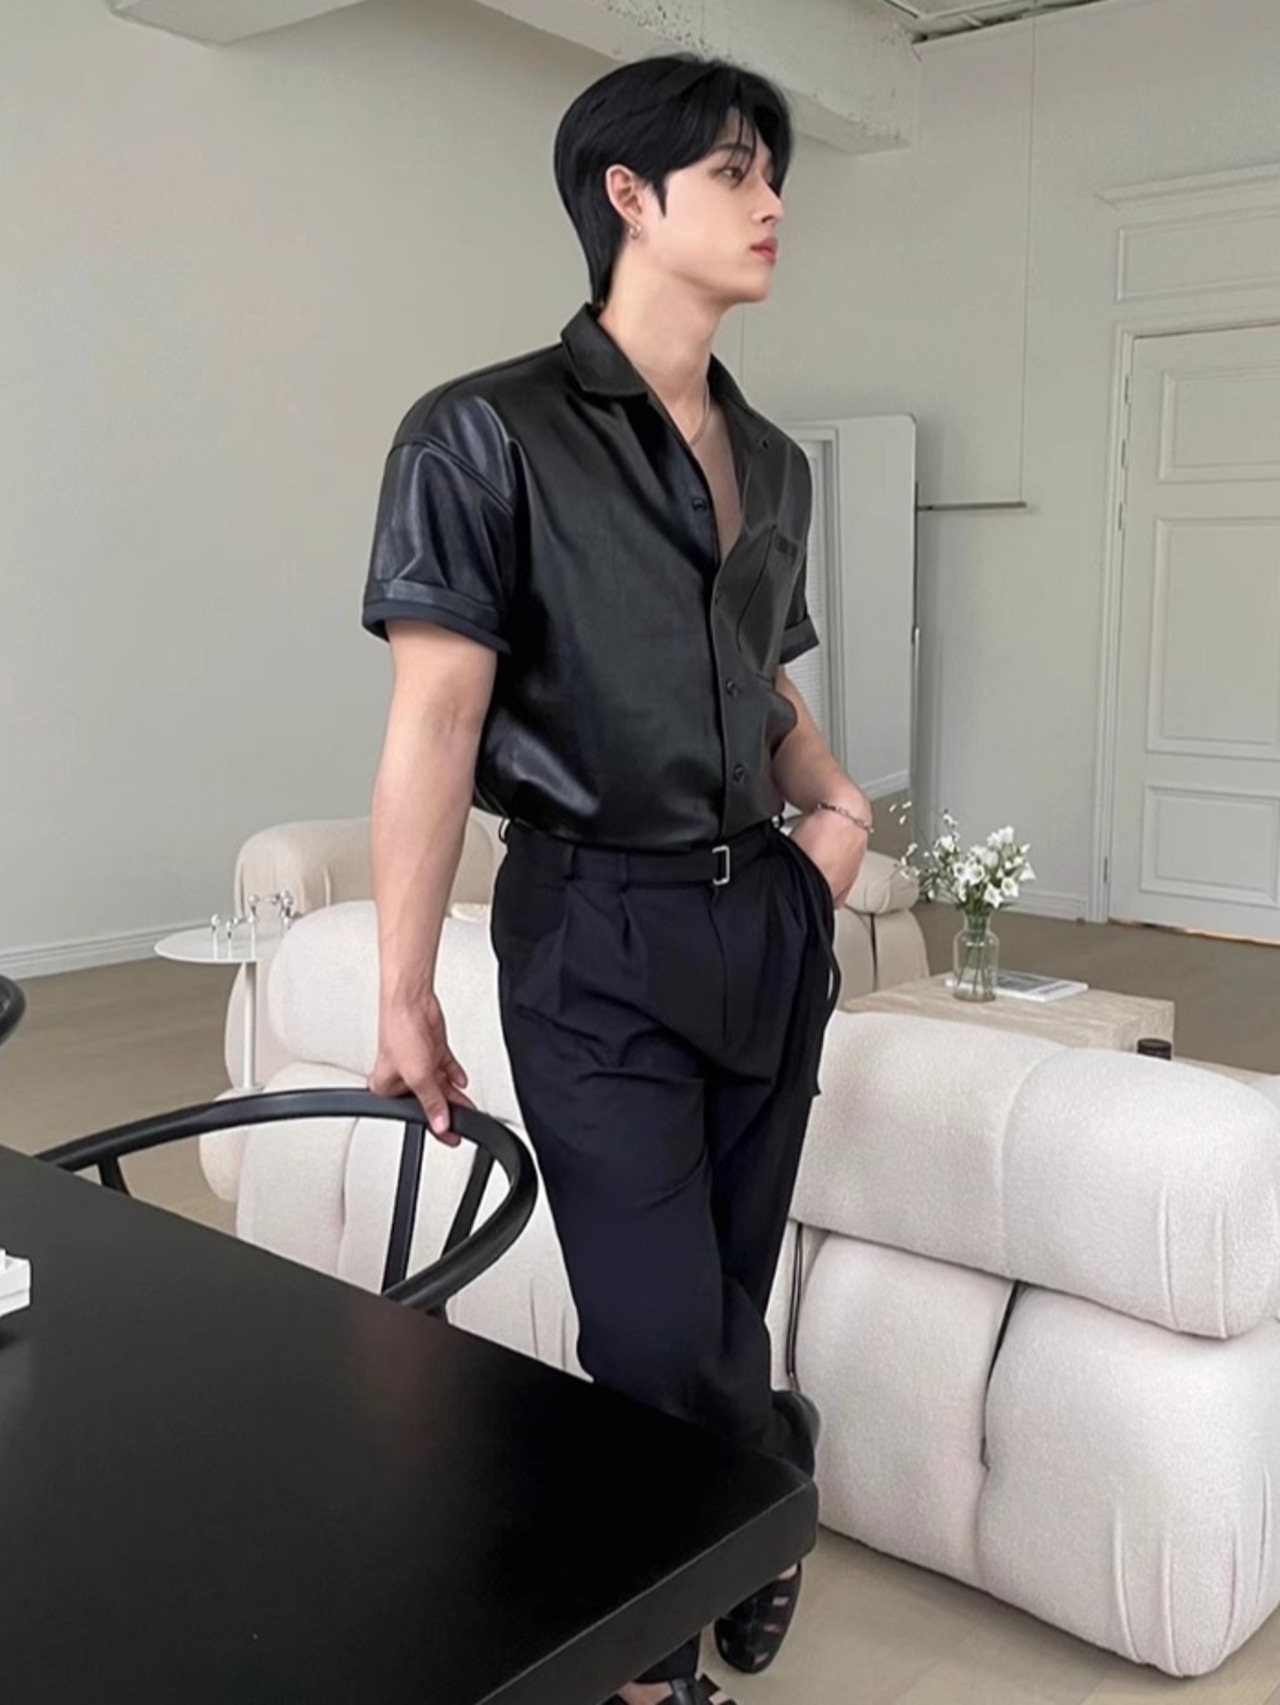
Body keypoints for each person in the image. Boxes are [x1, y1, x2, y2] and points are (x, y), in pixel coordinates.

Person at [362, 52, 873, 1705]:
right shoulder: (481, 433)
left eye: (774, 173)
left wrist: (836, 810)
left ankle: (700, 1591)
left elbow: (758, 675)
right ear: (628, 197)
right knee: (654, 1336)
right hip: (594, 926)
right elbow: (437, 721)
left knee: (721, 1287)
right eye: (736, 172)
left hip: (767, 918)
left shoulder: (777, 462)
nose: (773, 201)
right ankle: (735, 1536)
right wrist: (401, 986)